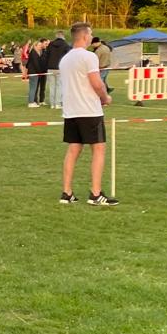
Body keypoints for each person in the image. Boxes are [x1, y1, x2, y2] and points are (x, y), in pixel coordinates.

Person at [58, 23, 117, 206]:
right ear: (84, 36)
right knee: (98, 149)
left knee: (73, 149)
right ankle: (95, 193)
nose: (92, 37)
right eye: (90, 33)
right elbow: (96, 82)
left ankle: (67, 192)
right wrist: (105, 97)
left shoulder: (65, 59)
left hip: (71, 111)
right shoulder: (89, 56)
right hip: (89, 110)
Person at [44, 32, 69, 109]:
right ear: (63, 36)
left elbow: (46, 56)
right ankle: (57, 103)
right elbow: (67, 56)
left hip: (50, 68)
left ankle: (52, 104)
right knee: (59, 86)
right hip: (60, 68)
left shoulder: (50, 44)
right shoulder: (65, 45)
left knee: (52, 86)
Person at [25, 40, 47, 106]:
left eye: (41, 45)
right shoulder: (33, 52)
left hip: (35, 72)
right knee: (33, 88)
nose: (40, 47)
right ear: (35, 46)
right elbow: (36, 64)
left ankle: (33, 101)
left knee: (34, 88)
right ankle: (31, 102)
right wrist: (39, 72)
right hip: (33, 72)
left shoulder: (37, 52)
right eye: (39, 45)